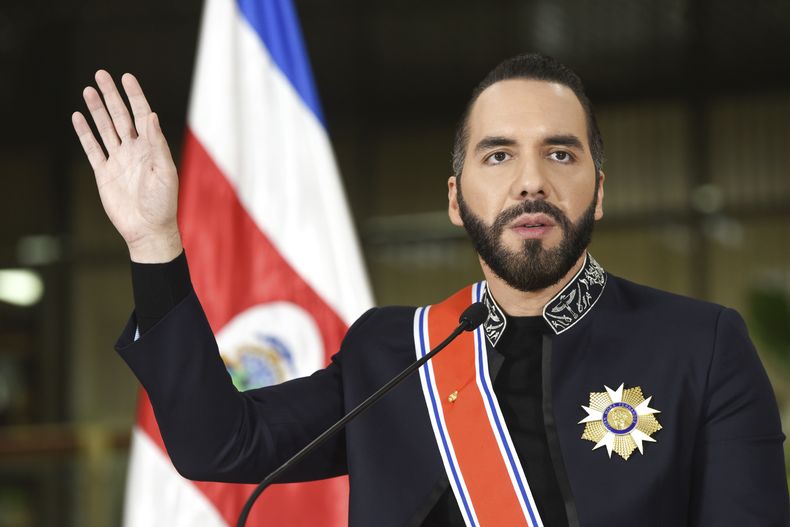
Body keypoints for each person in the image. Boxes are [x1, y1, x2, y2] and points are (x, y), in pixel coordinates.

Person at [72, 54, 789, 526]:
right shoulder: (391, 352)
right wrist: (153, 243)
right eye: (499, 153)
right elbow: (217, 446)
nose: (530, 179)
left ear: (597, 192)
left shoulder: (702, 345)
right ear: (456, 197)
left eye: (560, 153)